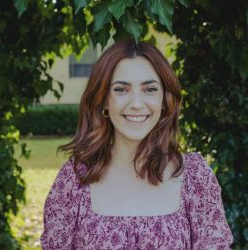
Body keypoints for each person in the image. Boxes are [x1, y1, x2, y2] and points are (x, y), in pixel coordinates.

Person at [40, 40, 234, 249]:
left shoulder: (195, 178)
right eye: (121, 89)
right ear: (104, 99)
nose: (136, 103)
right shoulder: (74, 180)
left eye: (149, 89)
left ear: (164, 99)